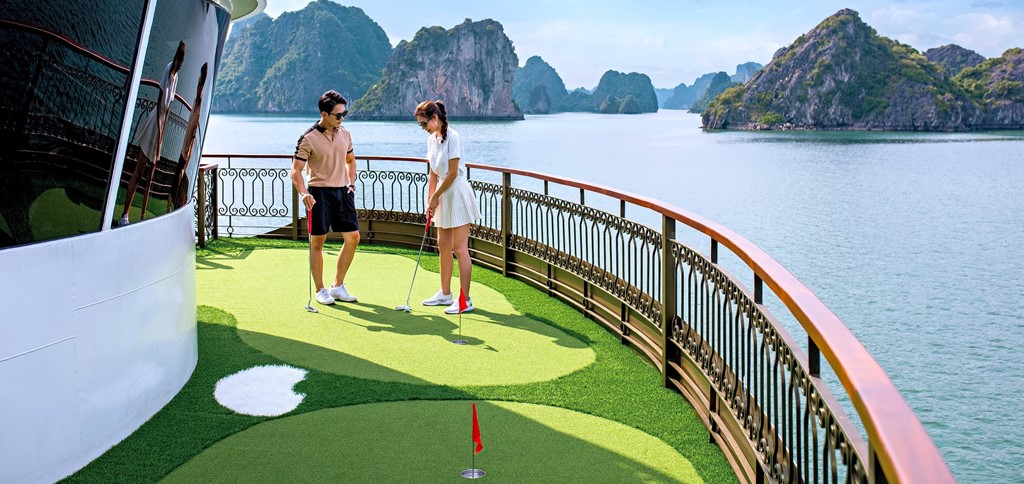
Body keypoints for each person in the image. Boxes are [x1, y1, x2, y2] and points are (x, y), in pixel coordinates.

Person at [289, 90, 360, 306]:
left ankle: (337, 286)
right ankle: (320, 289)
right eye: (338, 115)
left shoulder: (345, 133)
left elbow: (350, 160)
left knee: (353, 237)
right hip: (318, 193)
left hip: (343, 192)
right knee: (318, 241)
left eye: (344, 114)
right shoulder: (308, 138)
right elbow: (295, 170)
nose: (342, 118)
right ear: (324, 114)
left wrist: (351, 182)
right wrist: (304, 193)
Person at [415, 100, 481, 314]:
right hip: (441, 195)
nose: (423, 128)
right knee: (443, 246)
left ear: (435, 118)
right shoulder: (431, 140)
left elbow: (452, 173)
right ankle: (445, 294)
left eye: (424, 124)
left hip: (456, 193)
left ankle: (465, 300)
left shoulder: (454, 138)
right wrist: (429, 200)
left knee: (460, 248)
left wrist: (436, 196)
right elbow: (433, 172)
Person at [120, 40, 185, 226]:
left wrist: (162, 134)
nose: (181, 65)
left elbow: (169, 106)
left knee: (150, 172)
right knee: (140, 170)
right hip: (155, 122)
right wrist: (158, 132)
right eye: (180, 61)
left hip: (161, 124)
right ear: (177, 59)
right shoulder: (168, 70)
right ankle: (124, 215)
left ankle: (141, 216)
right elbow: (159, 103)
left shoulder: (176, 76)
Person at [169, 62, 208, 211]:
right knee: (181, 171)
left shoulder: (196, 109)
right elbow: (199, 93)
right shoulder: (196, 109)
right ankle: (176, 205)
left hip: (187, 148)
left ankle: (176, 205)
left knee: (181, 171)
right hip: (187, 148)